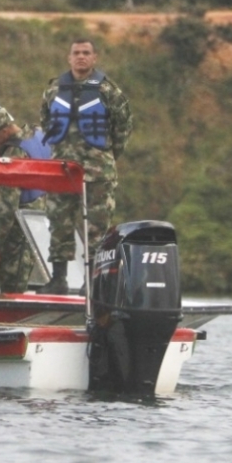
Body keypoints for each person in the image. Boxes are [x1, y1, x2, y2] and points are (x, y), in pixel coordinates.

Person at [39, 39, 133, 294]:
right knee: (58, 222)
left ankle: (92, 281)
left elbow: (123, 127)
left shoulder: (108, 91)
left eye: (86, 53)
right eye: (76, 53)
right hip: (61, 170)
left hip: (97, 170)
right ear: (69, 58)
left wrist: (108, 157)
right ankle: (58, 279)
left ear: (95, 58)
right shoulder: (54, 89)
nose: (81, 57)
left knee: (96, 227)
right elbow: (46, 122)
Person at [0, 107, 46, 293]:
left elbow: (8, 207)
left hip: (20, 229)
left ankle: (15, 318)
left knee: (12, 283)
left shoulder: (14, 153)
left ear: (4, 131)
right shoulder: (36, 133)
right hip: (41, 220)